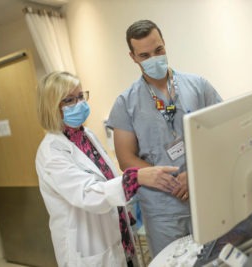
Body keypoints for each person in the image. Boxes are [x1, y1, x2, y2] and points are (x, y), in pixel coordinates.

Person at [35, 71, 180, 267]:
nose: (79, 104)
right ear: (51, 107)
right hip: (88, 249)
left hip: (118, 237)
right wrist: (136, 177)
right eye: (69, 100)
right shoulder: (52, 152)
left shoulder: (86, 135)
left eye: (80, 96)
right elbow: (87, 194)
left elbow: (106, 179)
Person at [106, 19, 222, 257]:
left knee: (217, 259)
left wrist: (194, 175)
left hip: (205, 196)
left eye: (158, 51)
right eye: (145, 55)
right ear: (133, 57)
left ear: (164, 43)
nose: (154, 58)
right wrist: (170, 181)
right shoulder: (125, 103)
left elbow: (221, 131)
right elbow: (126, 158)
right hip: (163, 211)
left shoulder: (197, 86)